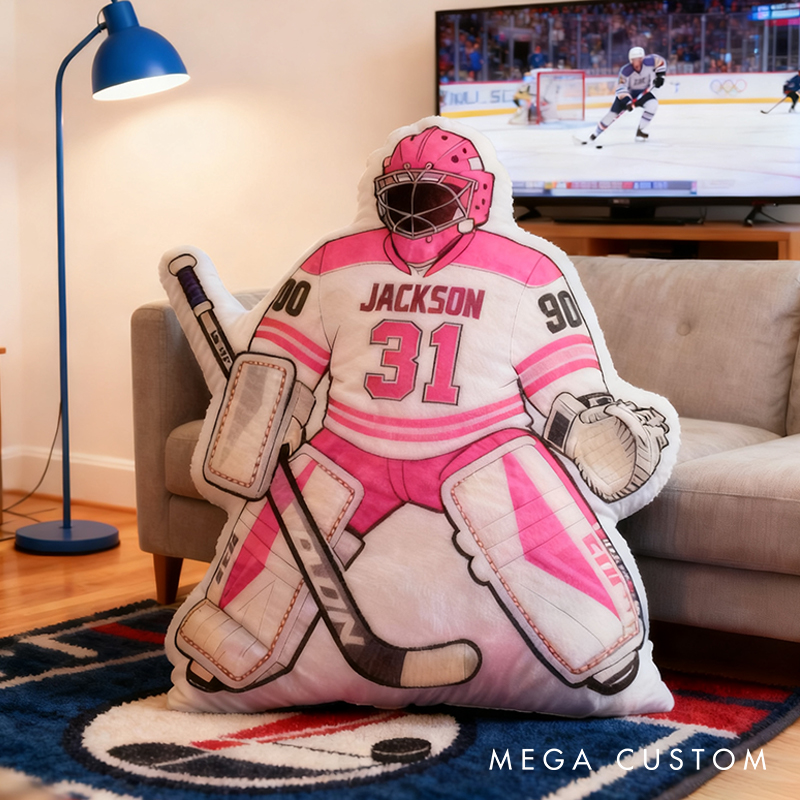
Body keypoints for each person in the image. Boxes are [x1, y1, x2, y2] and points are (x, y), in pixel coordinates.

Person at [170, 125, 671, 698]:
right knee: (280, 535)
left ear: (475, 198)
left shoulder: (526, 269)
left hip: (479, 442)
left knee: (537, 522)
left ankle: (599, 644)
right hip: (352, 443)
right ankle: (229, 651)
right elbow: (281, 359)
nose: (412, 213)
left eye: (430, 197)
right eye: (400, 197)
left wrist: (592, 425)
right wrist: (270, 418)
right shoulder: (334, 261)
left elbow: (564, 381)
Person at [588, 46, 667, 142]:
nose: (636, 63)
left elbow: (661, 62)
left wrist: (660, 76)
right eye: (634, 60)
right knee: (612, 114)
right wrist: (628, 102)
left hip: (643, 93)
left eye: (639, 59)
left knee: (653, 105)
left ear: (642, 59)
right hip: (626, 95)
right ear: (630, 60)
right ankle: (595, 134)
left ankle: (640, 131)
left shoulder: (650, 61)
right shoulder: (625, 71)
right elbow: (621, 87)